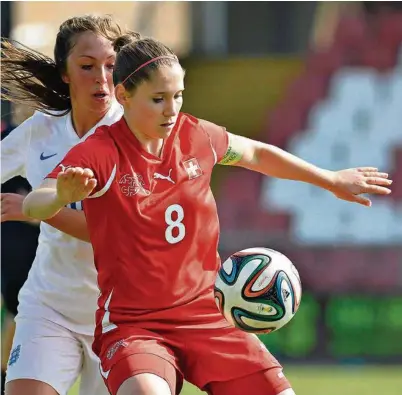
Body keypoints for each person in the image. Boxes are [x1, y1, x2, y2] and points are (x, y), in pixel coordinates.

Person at [22, 33, 393, 395]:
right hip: (135, 326)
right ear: (124, 95)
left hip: (208, 315)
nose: (172, 110)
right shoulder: (101, 151)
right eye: (158, 99)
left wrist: (329, 180)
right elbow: (33, 202)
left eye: (178, 96)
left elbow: (257, 154)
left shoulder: (196, 135)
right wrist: (60, 196)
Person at [0, 15, 136, 395]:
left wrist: (38, 207)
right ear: (64, 73)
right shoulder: (41, 129)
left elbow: (117, 233)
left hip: (121, 317)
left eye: (111, 66)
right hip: (50, 306)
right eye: (88, 66)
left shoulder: (135, 134)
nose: (102, 77)